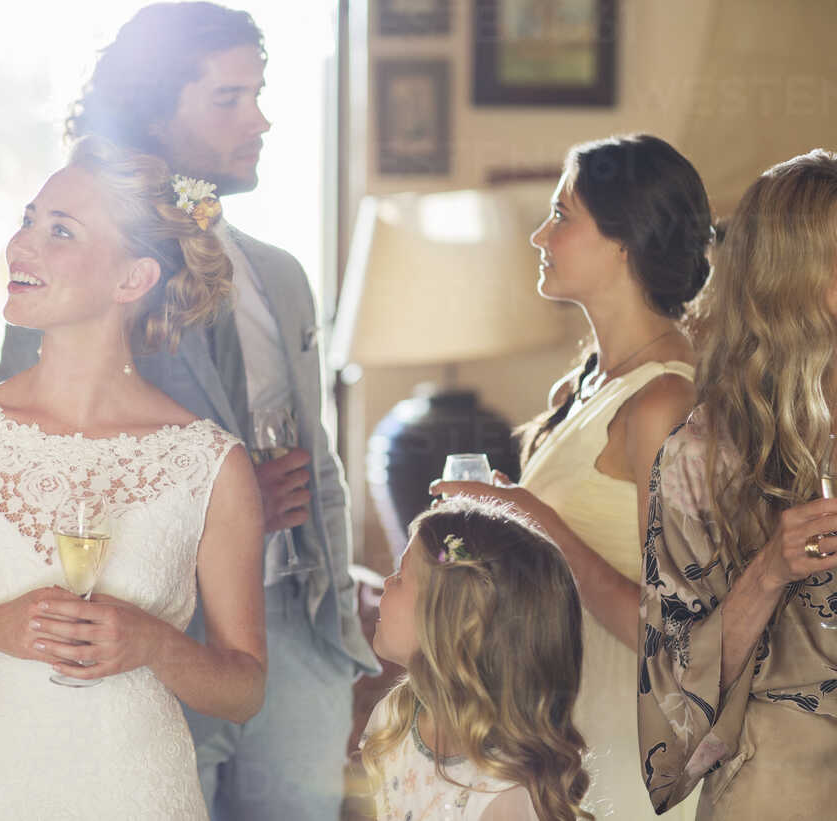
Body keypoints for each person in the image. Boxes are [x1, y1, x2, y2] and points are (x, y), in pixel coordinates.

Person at [0, 4, 379, 818]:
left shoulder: (280, 276)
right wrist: (224, 510)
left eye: (260, 93)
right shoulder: (85, 269)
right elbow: (28, 452)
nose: (261, 118)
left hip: (299, 630)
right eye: (230, 98)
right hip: (157, 625)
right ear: (157, 112)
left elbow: (323, 461)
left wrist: (340, 633)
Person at [0, 135, 267, 818]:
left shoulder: (209, 464)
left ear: (132, 280)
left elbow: (243, 686)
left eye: (59, 230)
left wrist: (152, 641)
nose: (21, 244)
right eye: (29, 219)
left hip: (136, 791)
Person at [433, 134, 711, 819]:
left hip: (627, 739)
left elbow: (681, 635)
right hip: (558, 728)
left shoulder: (664, 403)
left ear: (625, 241)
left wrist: (538, 520)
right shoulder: (579, 387)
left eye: (561, 215)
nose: (539, 233)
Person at [637, 149, 837, 819]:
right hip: (782, 788)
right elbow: (668, 715)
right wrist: (770, 569)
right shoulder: (706, 455)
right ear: (792, 277)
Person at [359, 497, 592, 821]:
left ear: (454, 621)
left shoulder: (501, 793)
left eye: (400, 576)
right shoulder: (394, 719)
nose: (386, 583)